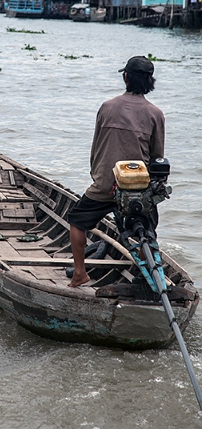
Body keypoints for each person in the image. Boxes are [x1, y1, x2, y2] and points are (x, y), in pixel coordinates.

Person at [67, 55, 165, 287]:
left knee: (76, 221)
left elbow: (96, 146)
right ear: (150, 82)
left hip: (104, 184)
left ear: (126, 78)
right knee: (147, 231)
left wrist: (100, 176)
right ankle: (149, 278)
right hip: (137, 189)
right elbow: (157, 156)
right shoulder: (156, 114)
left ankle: (80, 273)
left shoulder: (107, 106)